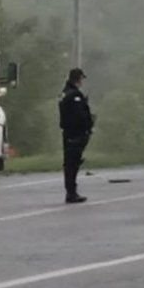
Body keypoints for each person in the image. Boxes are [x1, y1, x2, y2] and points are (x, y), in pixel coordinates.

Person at [58, 68, 94, 204]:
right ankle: (71, 193)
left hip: (68, 133)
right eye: (82, 79)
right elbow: (80, 116)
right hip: (75, 133)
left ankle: (71, 191)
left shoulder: (65, 93)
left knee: (70, 164)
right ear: (78, 79)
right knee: (72, 164)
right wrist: (87, 127)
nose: (82, 82)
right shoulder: (74, 95)